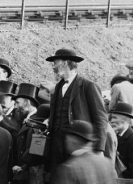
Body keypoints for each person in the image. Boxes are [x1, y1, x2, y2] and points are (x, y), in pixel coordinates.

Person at [46, 48, 108, 177]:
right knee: (57, 179)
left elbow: (101, 118)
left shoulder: (88, 86)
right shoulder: (58, 86)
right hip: (56, 144)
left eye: (55, 63)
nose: (53, 67)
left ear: (65, 63)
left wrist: (99, 148)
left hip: (77, 144)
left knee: (78, 179)